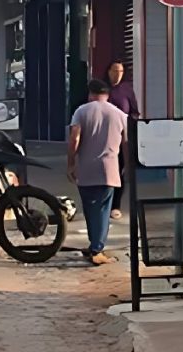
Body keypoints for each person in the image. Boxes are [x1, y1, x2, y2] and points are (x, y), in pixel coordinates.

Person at [67, 79, 128, 266]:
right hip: (109, 169)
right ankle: (96, 248)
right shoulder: (120, 114)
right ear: (108, 94)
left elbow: (74, 138)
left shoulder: (81, 111)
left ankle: (95, 246)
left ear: (90, 93)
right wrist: (128, 165)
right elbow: (127, 143)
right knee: (103, 210)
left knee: (90, 209)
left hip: (86, 169)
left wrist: (71, 163)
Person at [103, 60, 139, 220]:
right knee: (103, 173)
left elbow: (135, 112)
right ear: (108, 71)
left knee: (118, 172)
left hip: (120, 138)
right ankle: (103, 204)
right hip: (102, 138)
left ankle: (115, 205)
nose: (117, 74)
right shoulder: (102, 88)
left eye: (121, 71)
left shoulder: (127, 90)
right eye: (114, 70)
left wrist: (128, 124)